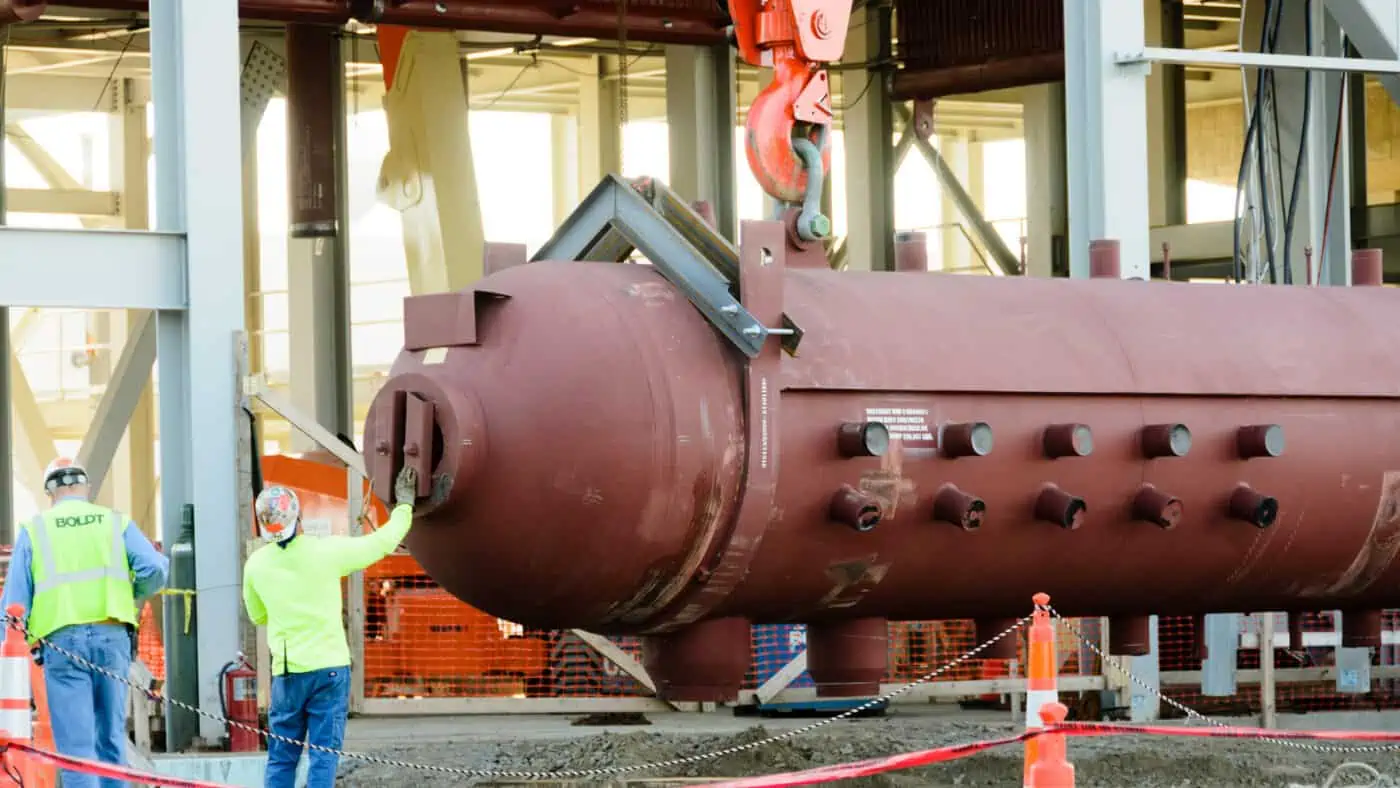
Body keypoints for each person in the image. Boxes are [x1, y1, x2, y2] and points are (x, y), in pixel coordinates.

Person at [243, 466, 419, 788]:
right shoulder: (326, 551)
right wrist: (404, 505)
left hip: (287, 674)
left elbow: (257, 617)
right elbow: (381, 543)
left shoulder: (255, 565)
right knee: (324, 756)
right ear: (298, 518)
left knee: (282, 758)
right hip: (330, 671)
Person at [0, 456, 169, 788]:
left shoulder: (35, 530)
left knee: (76, 749)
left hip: (63, 646)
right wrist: (128, 596)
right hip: (113, 640)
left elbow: (14, 606)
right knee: (111, 740)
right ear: (86, 487)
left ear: (50, 492)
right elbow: (156, 570)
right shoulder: (114, 522)